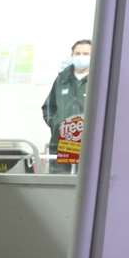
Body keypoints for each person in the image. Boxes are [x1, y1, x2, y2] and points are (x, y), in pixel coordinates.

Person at [41, 40, 92, 171]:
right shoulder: (61, 79)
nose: (81, 57)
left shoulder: (99, 80)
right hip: (61, 144)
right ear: (72, 55)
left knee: (85, 186)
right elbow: (48, 106)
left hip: (89, 146)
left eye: (86, 54)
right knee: (61, 185)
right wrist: (55, 123)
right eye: (78, 53)